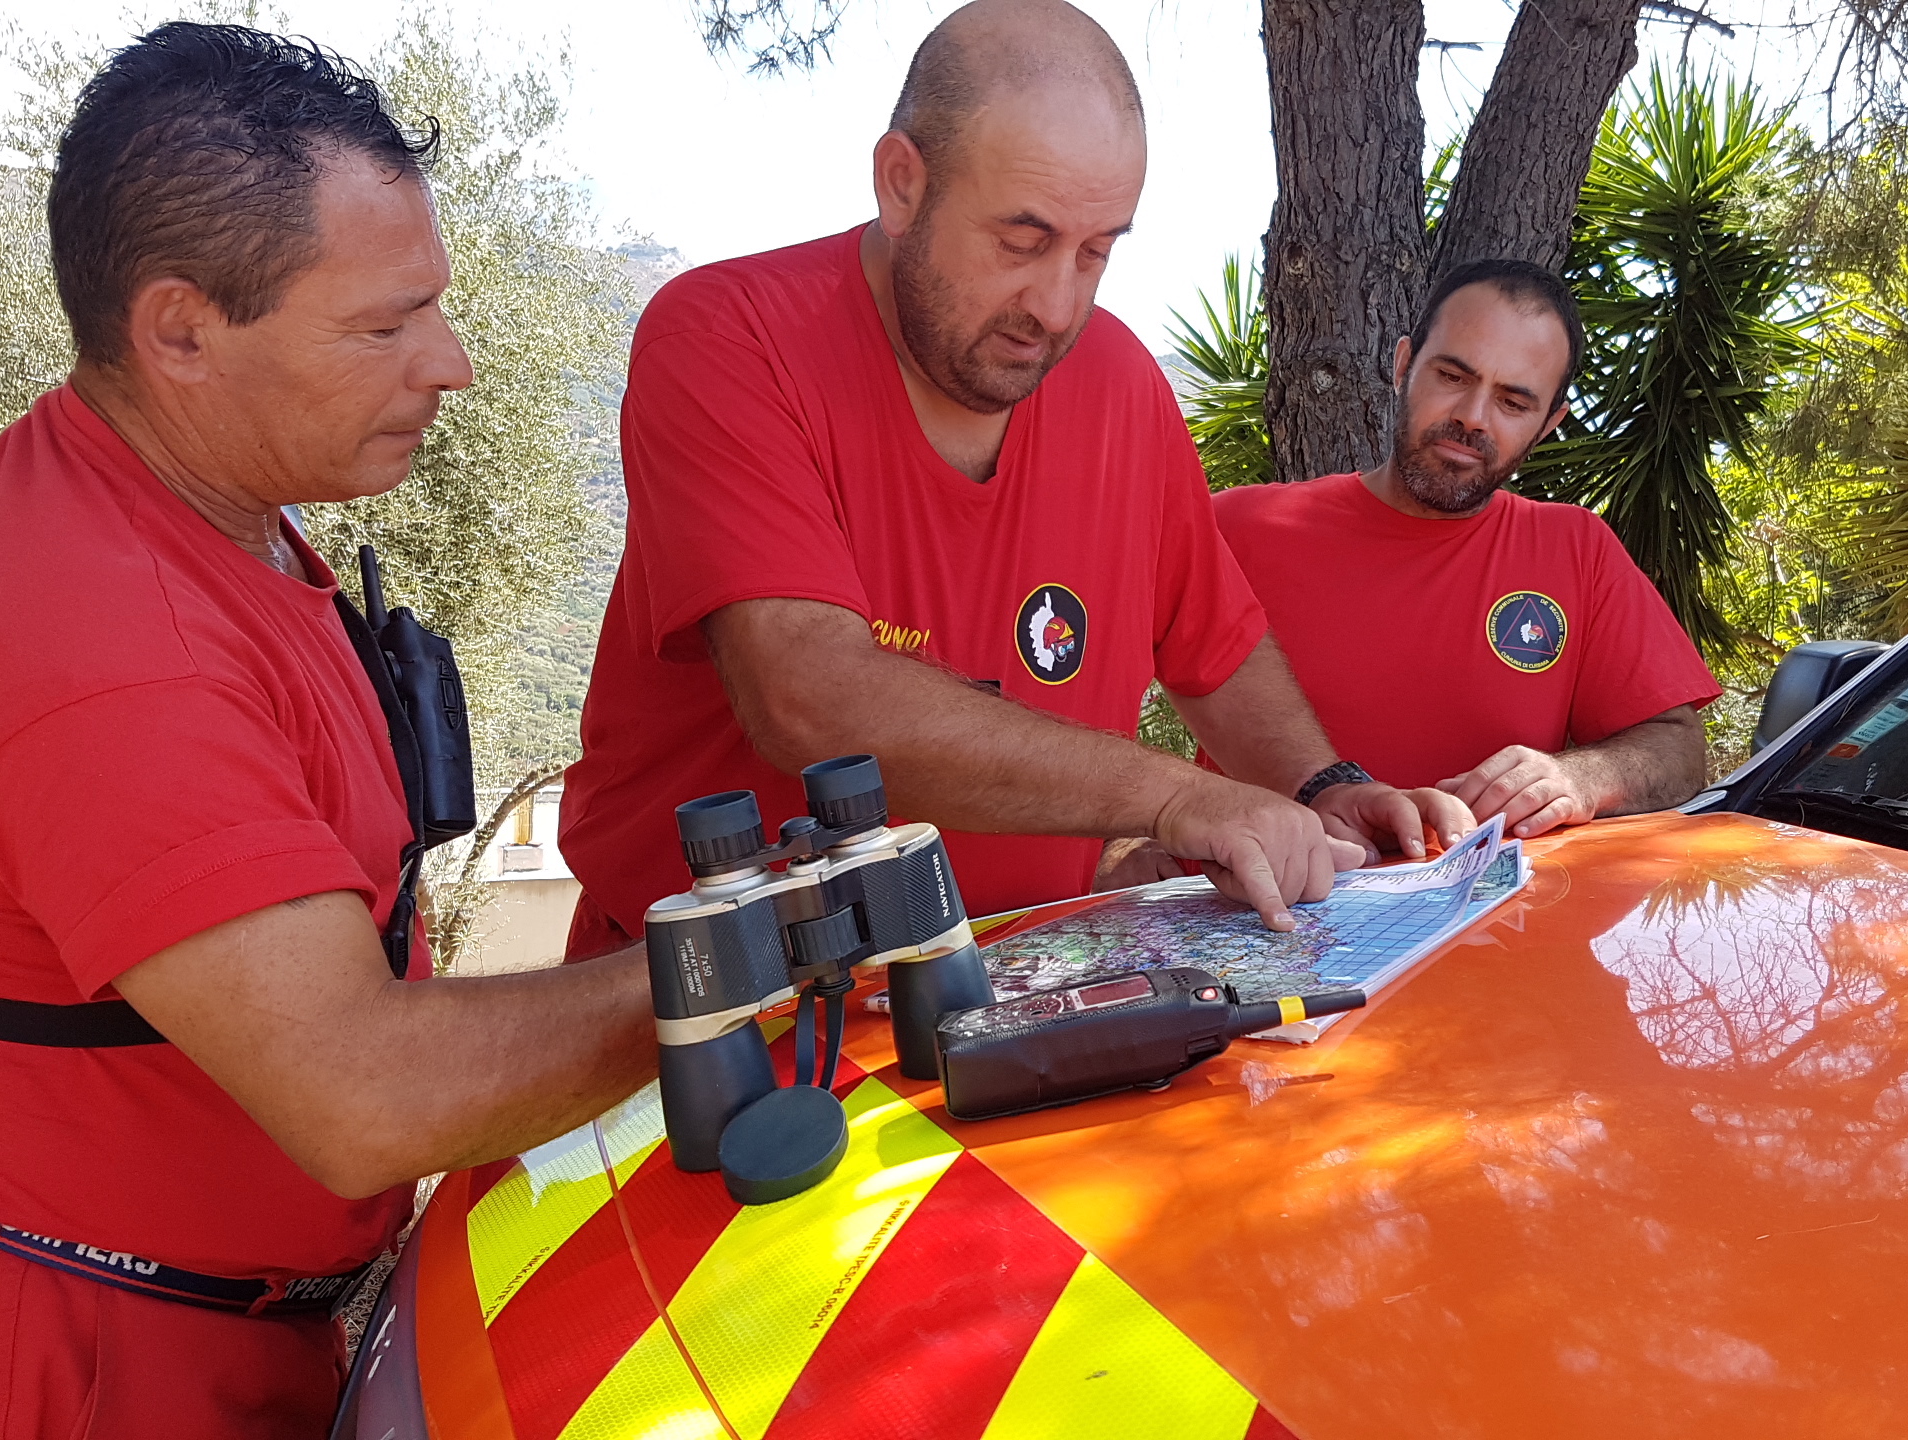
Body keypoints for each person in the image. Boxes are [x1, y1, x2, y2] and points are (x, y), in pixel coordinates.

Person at [0, 26, 656, 1438]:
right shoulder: (92, 636)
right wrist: (748, 965)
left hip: (231, 1335)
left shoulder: (217, 519)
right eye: (384, 325)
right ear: (179, 332)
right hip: (78, 1374)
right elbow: (362, 1094)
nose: (455, 363)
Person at [558, 0, 1430, 951]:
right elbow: (806, 693)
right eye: (1022, 242)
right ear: (901, 183)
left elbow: (1212, 650)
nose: (1056, 307)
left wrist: (1324, 788)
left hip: (1021, 985)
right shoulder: (729, 335)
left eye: (1096, 252)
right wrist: (1177, 794)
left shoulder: (1122, 384)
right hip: (726, 1010)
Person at [1210, 259, 1722, 841]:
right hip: (1257, 919)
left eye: (1513, 402)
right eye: (1453, 376)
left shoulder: (1577, 549)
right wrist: (1126, 838)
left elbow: (1678, 749)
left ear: (1549, 422)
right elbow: (1094, 694)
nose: (1471, 418)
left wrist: (1580, 776)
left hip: (1493, 923)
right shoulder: (1237, 528)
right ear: (1404, 365)